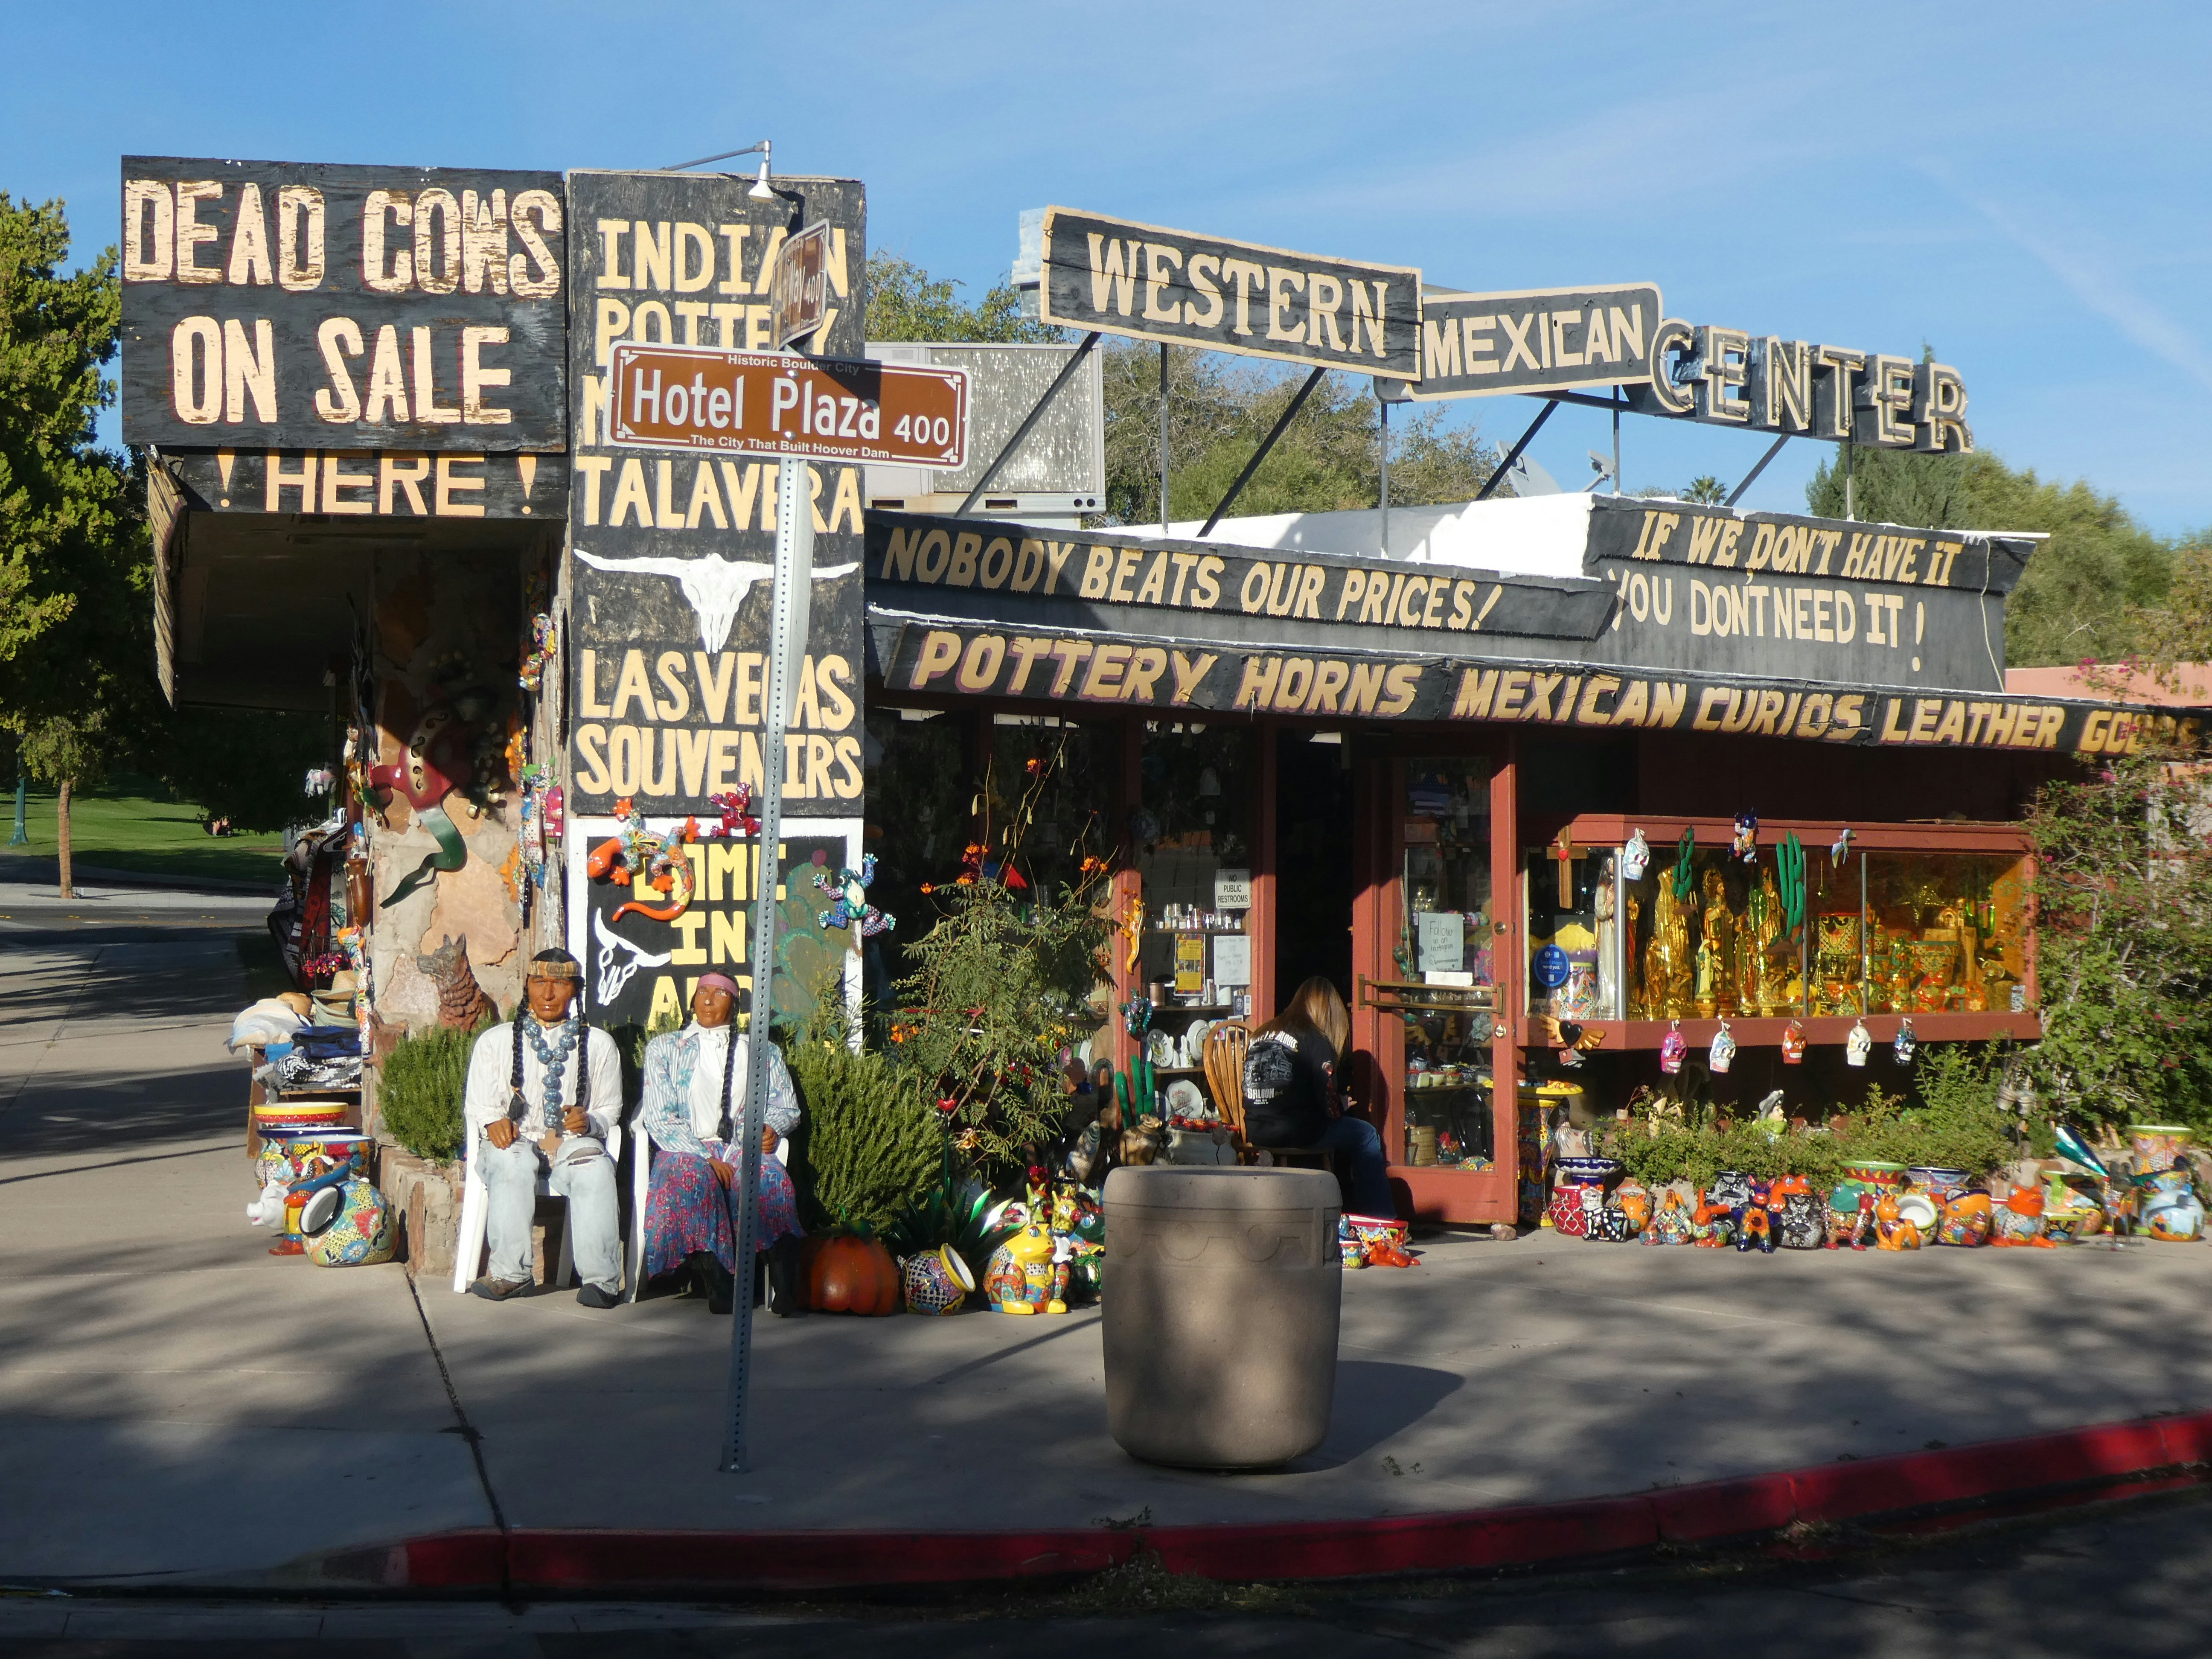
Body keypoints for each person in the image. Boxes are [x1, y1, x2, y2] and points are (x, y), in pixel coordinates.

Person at [462, 949, 626, 1306]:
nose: (548, 994)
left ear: (576, 990)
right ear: (527, 986)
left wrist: (590, 1120)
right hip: (517, 1140)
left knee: (595, 1169)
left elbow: (609, 1109)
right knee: (511, 1162)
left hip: (569, 1141)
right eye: (540, 983)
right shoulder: (495, 1041)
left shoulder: (599, 1045)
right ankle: (511, 1274)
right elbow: (477, 1102)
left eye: (560, 984)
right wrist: (493, 1120)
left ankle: (602, 1282)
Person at [637, 974, 804, 1315]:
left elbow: (786, 1106)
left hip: (742, 1148)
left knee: (770, 1180)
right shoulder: (665, 1049)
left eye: (719, 993)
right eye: (702, 992)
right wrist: (704, 1157)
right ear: (693, 1000)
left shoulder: (762, 1052)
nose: (709, 999)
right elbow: (659, 1116)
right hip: (685, 1148)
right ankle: (721, 1285)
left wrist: (773, 1127)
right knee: (694, 1178)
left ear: (735, 1004)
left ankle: (786, 1287)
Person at [1242, 976, 1398, 1222]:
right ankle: (1380, 1221)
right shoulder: (1316, 1039)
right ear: (1329, 1011)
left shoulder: (1262, 1033)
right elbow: (1330, 1109)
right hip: (1297, 1131)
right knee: (1366, 1135)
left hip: (1256, 1130)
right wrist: (1342, 1105)